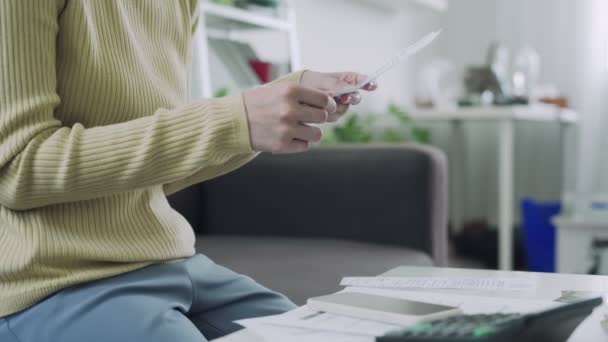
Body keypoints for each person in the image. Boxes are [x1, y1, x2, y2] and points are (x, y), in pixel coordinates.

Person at [0, 1, 376, 341]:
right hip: (51, 282)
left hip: (171, 263)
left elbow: (154, 175)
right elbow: (17, 167)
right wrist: (235, 120)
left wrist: (270, 112)